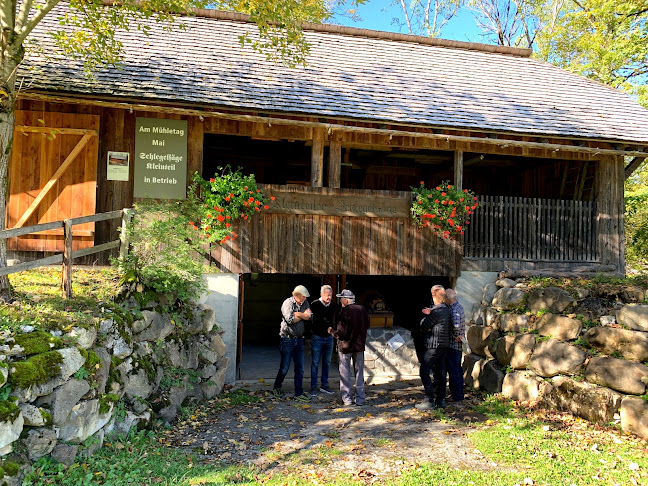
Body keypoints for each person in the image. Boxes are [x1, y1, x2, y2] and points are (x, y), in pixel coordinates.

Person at [328, 289, 370, 406]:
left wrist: (332, 332)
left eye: (341, 299)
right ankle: (360, 399)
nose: (340, 301)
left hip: (346, 347)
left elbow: (342, 333)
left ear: (346, 300)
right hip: (359, 346)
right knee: (359, 372)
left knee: (345, 373)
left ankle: (347, 399)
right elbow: (367, 325)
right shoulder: (362, 309)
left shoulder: (344, 312)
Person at [416, 284, 453, 410]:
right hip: (444, 345)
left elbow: (423, 326)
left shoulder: (437, 311)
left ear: (434, 296)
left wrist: (427, 315)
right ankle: (441, 400)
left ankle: (429, 400)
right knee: (440, 372)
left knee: (424, 371)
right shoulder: (446, 309)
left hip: (433, 344)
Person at [273, 285, 312, 402]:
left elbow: (309, 317)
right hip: (287, 339)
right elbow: (289, 320)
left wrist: (297, 314)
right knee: (285, 367)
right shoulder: (287, 303)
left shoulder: (305, 303)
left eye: (305, 297)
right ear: (296, 295)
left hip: (300, 339)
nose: (305, 299)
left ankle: (298, 393)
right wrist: (303, 315)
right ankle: (277, 387)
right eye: (303, 297)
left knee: (299, 368)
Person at [309, 285, 336, 396]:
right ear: (321, 294)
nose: (328, 297)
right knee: (315, 363)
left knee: (327, 362)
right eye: (326, 295)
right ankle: (313, 387)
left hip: (329, 338)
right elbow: (309, 320)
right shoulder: (314, 305)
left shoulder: (333, 305)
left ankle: (324, 385)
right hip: (317, 337)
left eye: (330, 295)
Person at [444, 288, 466, 402]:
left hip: (453, 344)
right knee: (457, 369)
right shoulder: (459, 306)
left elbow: (456, 326)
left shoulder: (454, 310)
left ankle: (457, 395)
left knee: (454, 371)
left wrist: (455, 335)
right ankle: (458, 393)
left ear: (448, 299)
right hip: (457, 345)